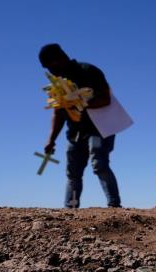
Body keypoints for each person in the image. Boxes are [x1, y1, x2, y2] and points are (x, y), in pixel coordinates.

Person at [39, 43, 122, 208]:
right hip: (75, 133)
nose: (50, 71)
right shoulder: (58, 84)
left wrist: (80, 103)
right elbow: (58, 113)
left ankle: (114, 206)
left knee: (99, 163)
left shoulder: (88, 71)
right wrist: (51, 139)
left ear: (61, 58)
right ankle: (70, 208)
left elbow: (105, 99)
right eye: (47, 68)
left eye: (51, 66)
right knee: (73, 173)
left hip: (99, 129)